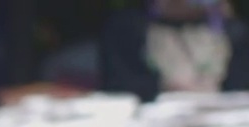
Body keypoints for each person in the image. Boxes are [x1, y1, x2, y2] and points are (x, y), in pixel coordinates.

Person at [101, 0, 249, 100]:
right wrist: (163, 89)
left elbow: (238, 88)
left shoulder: (233, 31)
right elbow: (116, 87)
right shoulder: (127, 28)